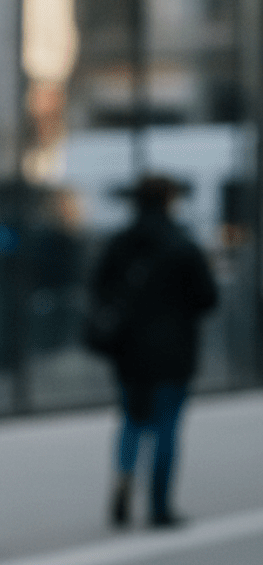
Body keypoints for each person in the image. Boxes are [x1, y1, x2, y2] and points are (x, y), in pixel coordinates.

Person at [88, 175, 218, 529]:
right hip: (173, 352)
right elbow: (207, 297)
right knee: (166, 427)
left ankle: (124, 476)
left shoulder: (120, 243)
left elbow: (98, 288)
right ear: (168, 202)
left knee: (132, 420)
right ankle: (160, 506)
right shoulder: (183, 245)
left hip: (129, 350)